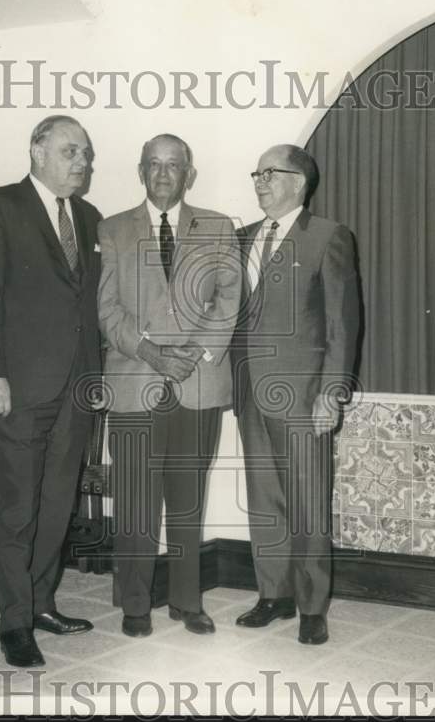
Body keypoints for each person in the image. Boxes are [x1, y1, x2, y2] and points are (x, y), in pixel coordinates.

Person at [0, 115, 102, 667]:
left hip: (76, 390)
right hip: (14, 388)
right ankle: (15, 624)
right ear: (37, 151)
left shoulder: (88, 218)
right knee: (15, 507)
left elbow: (84, 306)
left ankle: (42, 603)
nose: (82, 162)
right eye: (71, 151)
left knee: (58, 503)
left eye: (86, 153)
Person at [98, 133, 241, 638]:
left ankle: (186, 599)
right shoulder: (112, 229)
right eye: (154, 165)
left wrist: (193, 354)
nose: (163, 174)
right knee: (136, 500)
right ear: (140, 171)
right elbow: (107, 309)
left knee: (187, 498)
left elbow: (229, 299)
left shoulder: (220, 227)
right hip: (135, 382)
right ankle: (135, 604)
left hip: (198, 383)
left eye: (173, 165)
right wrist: (154, 353)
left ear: (189, 174)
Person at [231, 144, 359, 645]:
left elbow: (343, 324)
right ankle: (274, 594)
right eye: (256, 173)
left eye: (270, 173)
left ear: (298, 183)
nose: (260, 182)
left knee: (307, 502)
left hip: (305, 396)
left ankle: (311, 605)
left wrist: (333, 394)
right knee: (265, 499)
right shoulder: (242, 239)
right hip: (249, 393)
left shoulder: (328, 237)